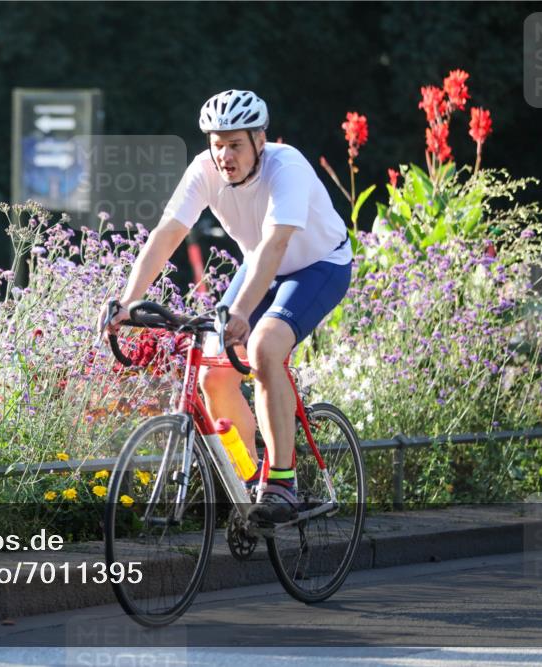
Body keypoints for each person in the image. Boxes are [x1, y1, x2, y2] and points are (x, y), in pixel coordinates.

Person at [100, 89, 353, 526]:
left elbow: (276, 245)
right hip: (262, 265)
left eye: (234, 144)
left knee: (264, 349)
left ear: (259, 139)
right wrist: (126, 301)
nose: (224, 155)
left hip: (318, 266)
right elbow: (167, 234)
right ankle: (250, 479)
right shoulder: (203, 170)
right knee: (213, 376)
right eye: (217, 143)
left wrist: (242, 313)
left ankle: (283, 482)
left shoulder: (286, 166)